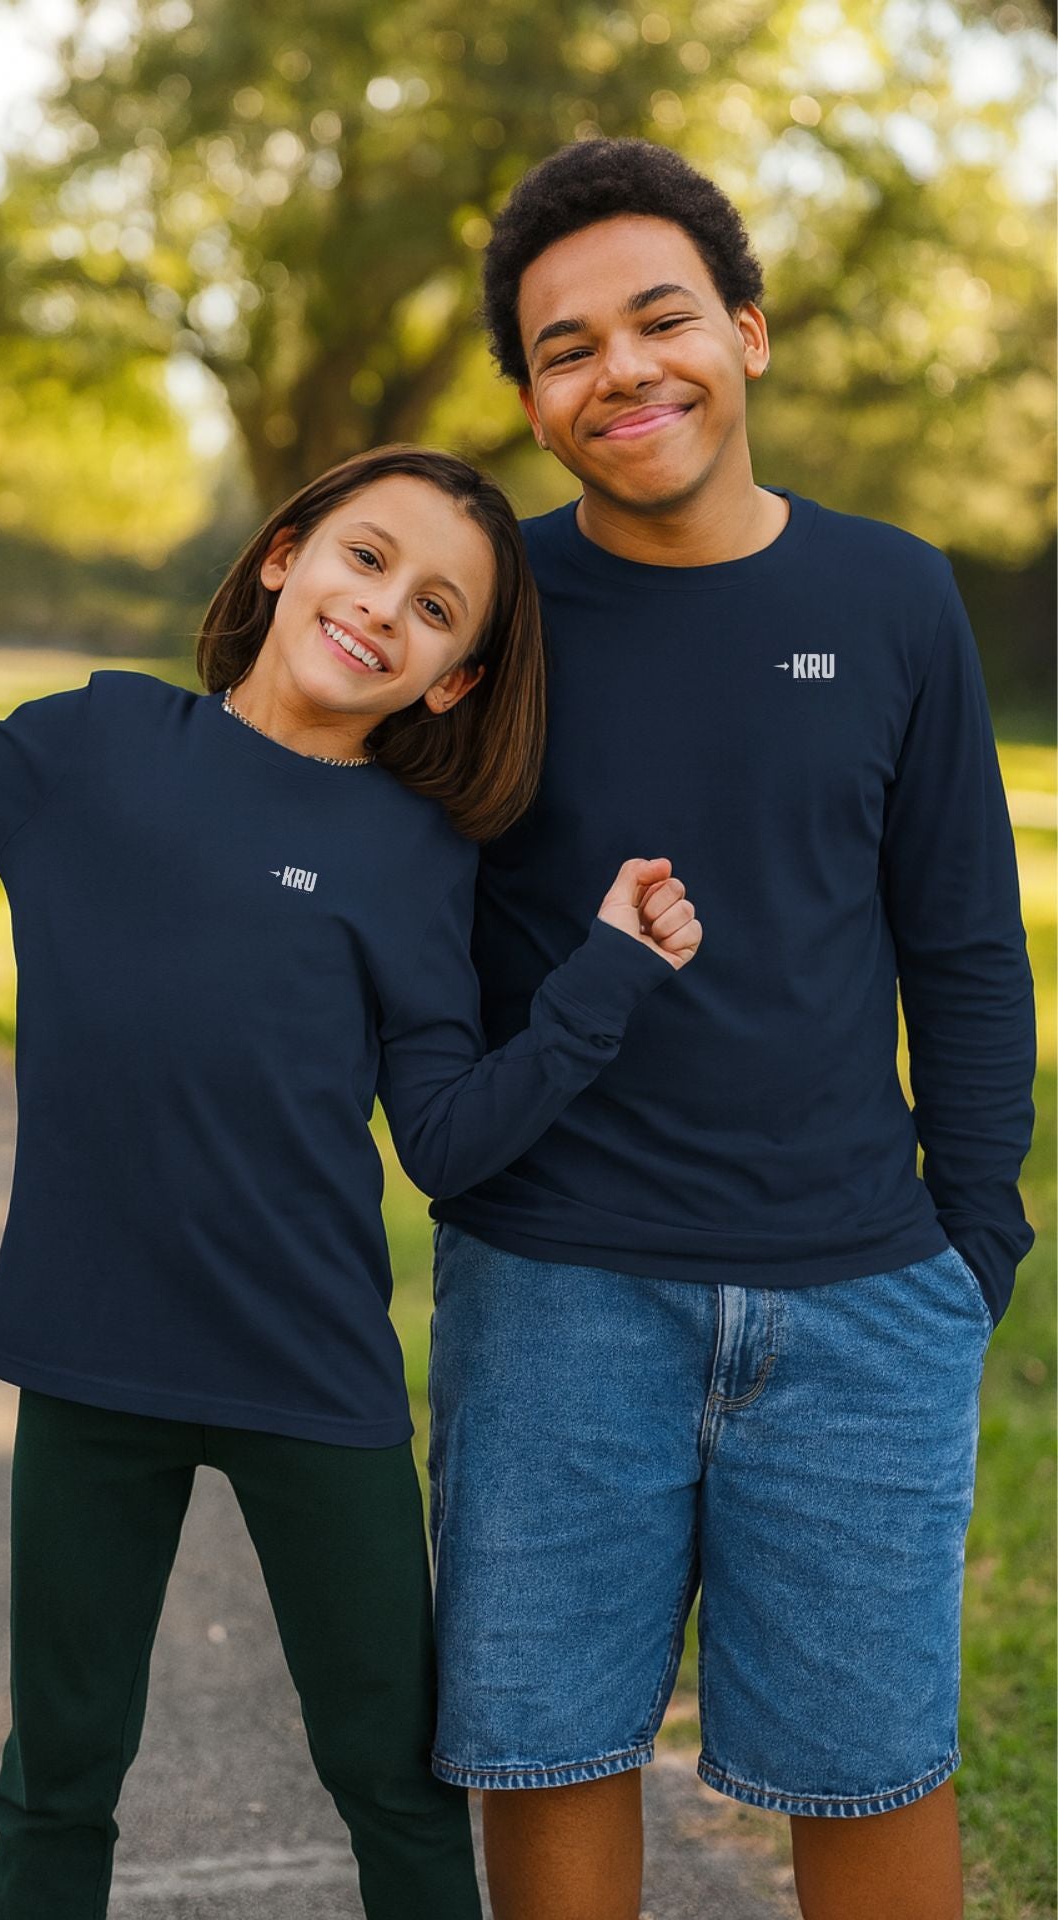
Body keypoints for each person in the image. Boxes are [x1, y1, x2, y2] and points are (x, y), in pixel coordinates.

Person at [426, 139, 1037, 1920]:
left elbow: (967, 952)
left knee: (873, 1786)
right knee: (546, 1765)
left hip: (860, 1306)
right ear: (534, 404)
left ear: (748, 335)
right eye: (563, 347)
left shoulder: (895, 598)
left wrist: (968, 1248)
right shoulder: (499, 609)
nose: (622, 369)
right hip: (556, 1303)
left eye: (661, 318)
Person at [0, 442, 702, 1920]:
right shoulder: (93, 747)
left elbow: (440, 1135)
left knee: (394, 1782)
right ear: (281, 558)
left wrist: (603, 982)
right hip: (86, 1357)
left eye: (439, 610)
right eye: (367, 559)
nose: (386, 608)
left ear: (449, 681)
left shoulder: (414, 854)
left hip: (311, 1379)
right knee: (57, 1777)